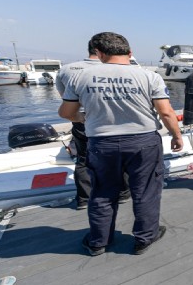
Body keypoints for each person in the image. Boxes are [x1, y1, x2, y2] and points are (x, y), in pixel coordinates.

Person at [58, 32, 183, 256]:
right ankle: (145, 238)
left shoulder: (80, 76)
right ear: (130, 52)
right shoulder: (149, 76)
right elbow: (166, 112)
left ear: (99, 53)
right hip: (143, 142)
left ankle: (98, 242)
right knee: (145, 191)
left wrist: (84, 120)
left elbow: (67, 112)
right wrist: (177, 136)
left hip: (101, 143)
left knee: (103, 192)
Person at [55, 39, 130, 210]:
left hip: (82, 120)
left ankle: (85, 199)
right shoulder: (119, 69)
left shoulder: (66, 70)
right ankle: (123, 193)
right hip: (113, 121)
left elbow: (66, 100)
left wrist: (78, 117)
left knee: (83, 159)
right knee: (120, 157)